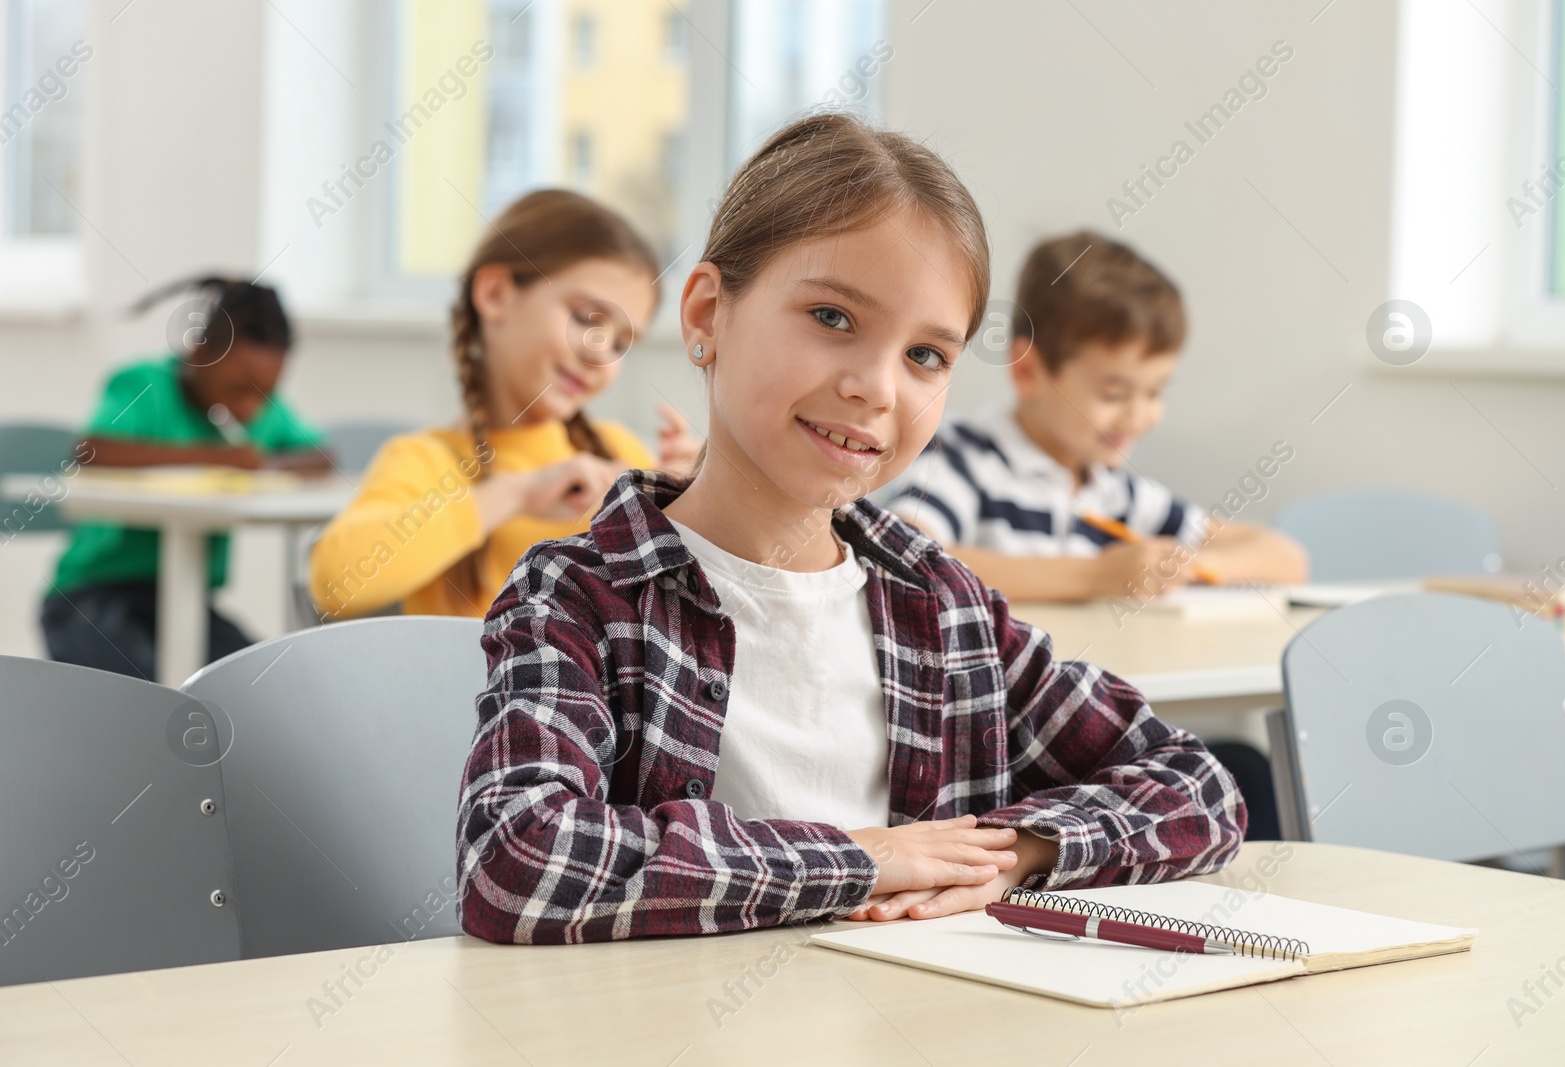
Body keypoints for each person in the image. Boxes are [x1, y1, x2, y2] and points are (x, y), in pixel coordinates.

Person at [455, 113, 1245, 945]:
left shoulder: (942, 610)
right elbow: (517, 861)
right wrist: (863, 860)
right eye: (833, 317)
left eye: (926, 356)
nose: (875, 387)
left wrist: (1009, 856)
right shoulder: (579, 596)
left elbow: (1196, 785)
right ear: (707, 315)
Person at [308, 189, 700, 621]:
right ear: (496, 294)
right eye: (586, 319)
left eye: (622, 342)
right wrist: (517, 493)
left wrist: (693, 504)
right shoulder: (425, 460)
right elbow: (335, 584)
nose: (599, 354)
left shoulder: (619, 452)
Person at [886, 231, 1307, 603]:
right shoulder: (959, 455)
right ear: (1028, 372)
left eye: (1155, 392)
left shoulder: (1115, 491)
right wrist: (1098, 576)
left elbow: (1286, 558)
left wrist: (1182, 566)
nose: (1139, 416)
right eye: (1115, 393)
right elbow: (910, 558)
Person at [41, 276, 330, 680]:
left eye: (264, 392)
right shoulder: (143, 385)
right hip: (92, 597)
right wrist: (217, 460)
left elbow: (321, 456)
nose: (249, 407)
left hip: (186, 602)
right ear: (199, 354)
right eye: (238, 389)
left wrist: (268, 467)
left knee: (263, 683)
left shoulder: (261, 410)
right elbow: (93, 452)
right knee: (145, 698)